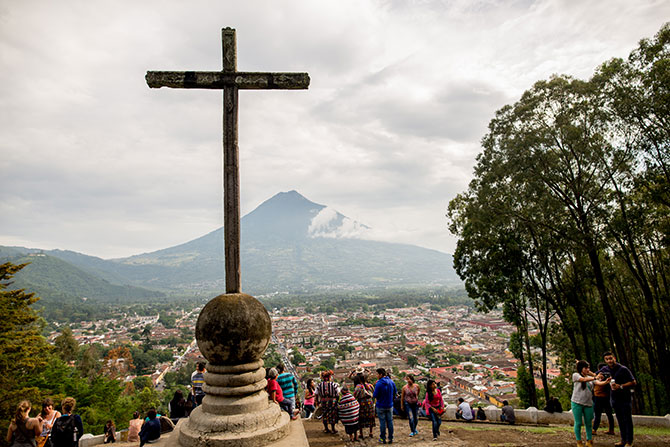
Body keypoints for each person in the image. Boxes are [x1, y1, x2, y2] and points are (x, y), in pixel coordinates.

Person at [601, 351, 636, 447]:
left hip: (625, 398)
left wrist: (620, 386)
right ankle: (623, 440)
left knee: (627, 420)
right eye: (607, 359)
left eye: (610, 358)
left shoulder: (623, 369)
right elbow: (596, 375)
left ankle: (629, 441)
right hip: (614, 399)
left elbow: (633, 382)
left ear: (614, 358)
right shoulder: (605, 369)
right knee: (620, 420)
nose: (609, 361)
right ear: (605, 360)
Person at [571, 360, 596, 447]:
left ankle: (589, 440)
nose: (588, 369)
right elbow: (583, 379)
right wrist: (594, 377)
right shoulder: (576, 375)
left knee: (588, 422)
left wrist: (605, 381)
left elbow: (598, 382)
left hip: (588, 403)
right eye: (586, 368)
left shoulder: (590, 378)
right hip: (577, 402)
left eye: (588, 368)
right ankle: (579, 441)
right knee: (578, 422)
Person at [373, 368, 396, 445]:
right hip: (389, 405)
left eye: (377, 374)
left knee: (382, 422)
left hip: (380, 405)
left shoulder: (379, 383)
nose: (376, 376)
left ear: (380, 374)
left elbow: (375, 395)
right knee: (390, 422)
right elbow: (395, 392)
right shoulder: (391, 382)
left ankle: (383, 438)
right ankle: (390, 438)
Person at [592, 363, 615, 436]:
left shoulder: (609, 378)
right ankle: (595, 429)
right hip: (599, 397)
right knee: (599, 414)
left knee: (605, 414)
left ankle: (610, 430)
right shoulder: (596, 377)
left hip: (604, 397)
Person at [315, 370, 339, 434]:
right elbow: (337, 394)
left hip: (323, 401)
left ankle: (326, 428)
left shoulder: (319, 385)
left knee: (325, 414)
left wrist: (317, 401)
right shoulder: (334, 384)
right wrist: (336, 401)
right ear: (329, 377)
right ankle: (333, 429)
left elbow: (316, 394)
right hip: (332, 401)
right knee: (332, 414)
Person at [353, 373, 375, 440]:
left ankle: (361, 433)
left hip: (362, 402)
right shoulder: (370, 385)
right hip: (370, 402)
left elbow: (355, 396)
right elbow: (374, 392)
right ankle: (371, 432)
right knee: (370, 416)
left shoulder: (358, 387)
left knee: (361, 417)